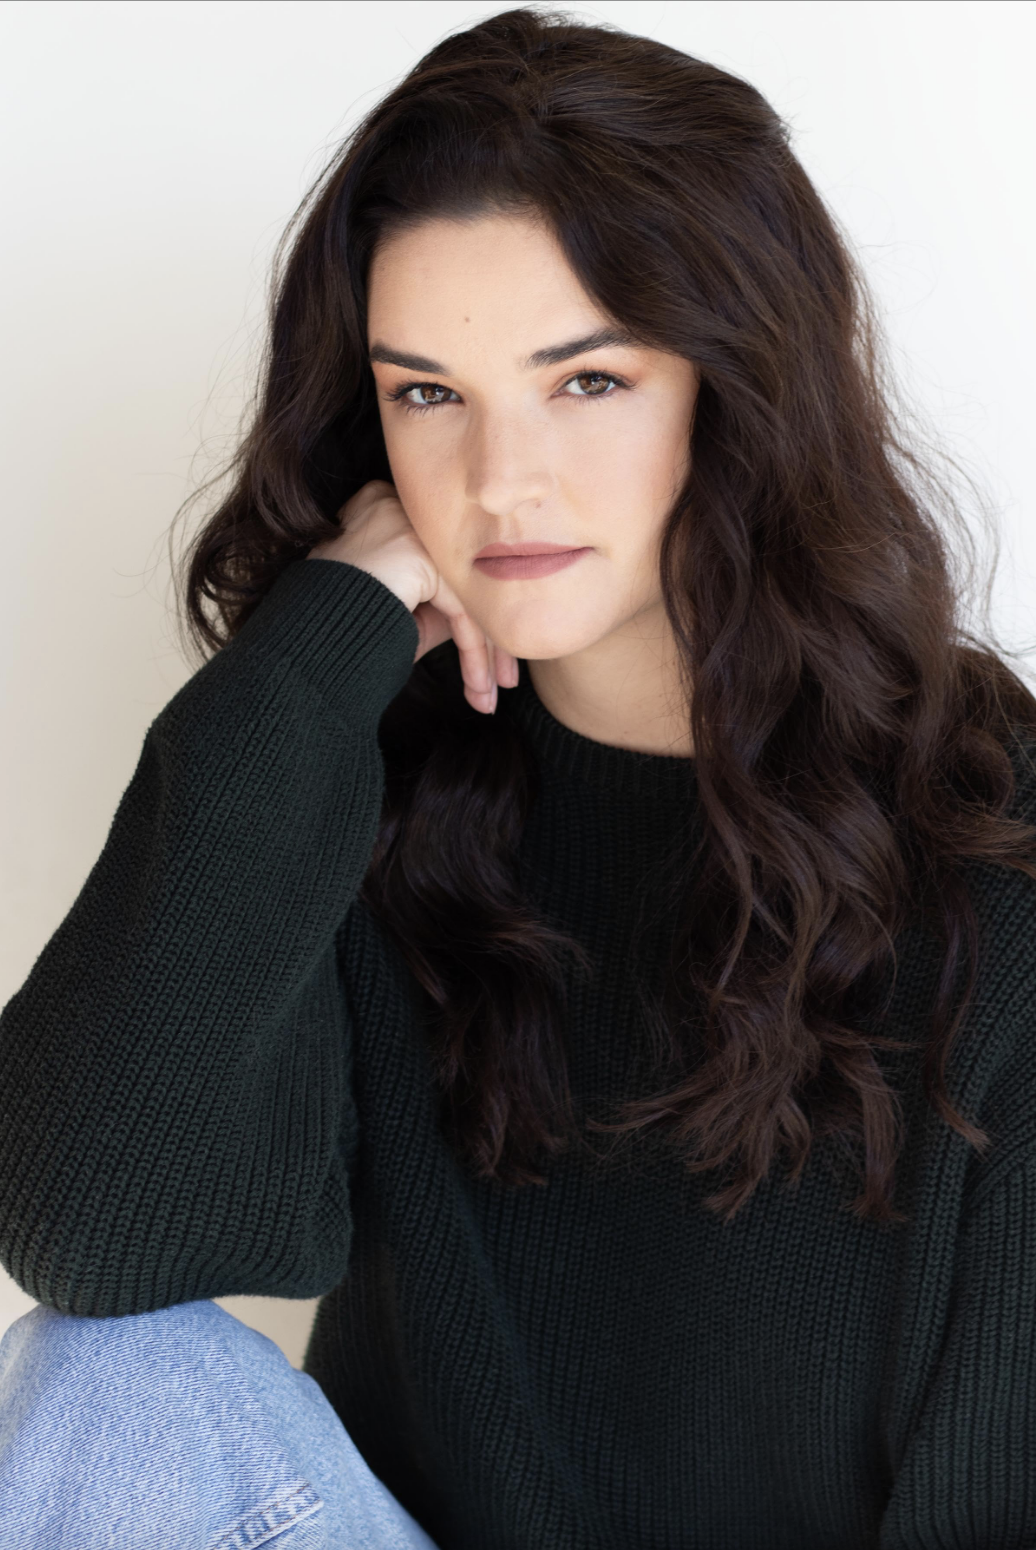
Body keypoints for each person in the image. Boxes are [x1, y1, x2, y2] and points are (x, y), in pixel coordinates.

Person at [1, 7, 1035, 1547]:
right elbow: (88, 1230)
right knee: (105, 1374)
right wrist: (308, 666)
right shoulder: (371, 780)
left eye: (588, 382)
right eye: (429, 394)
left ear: (732, 390)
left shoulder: (992, 860)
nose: (499, 482)